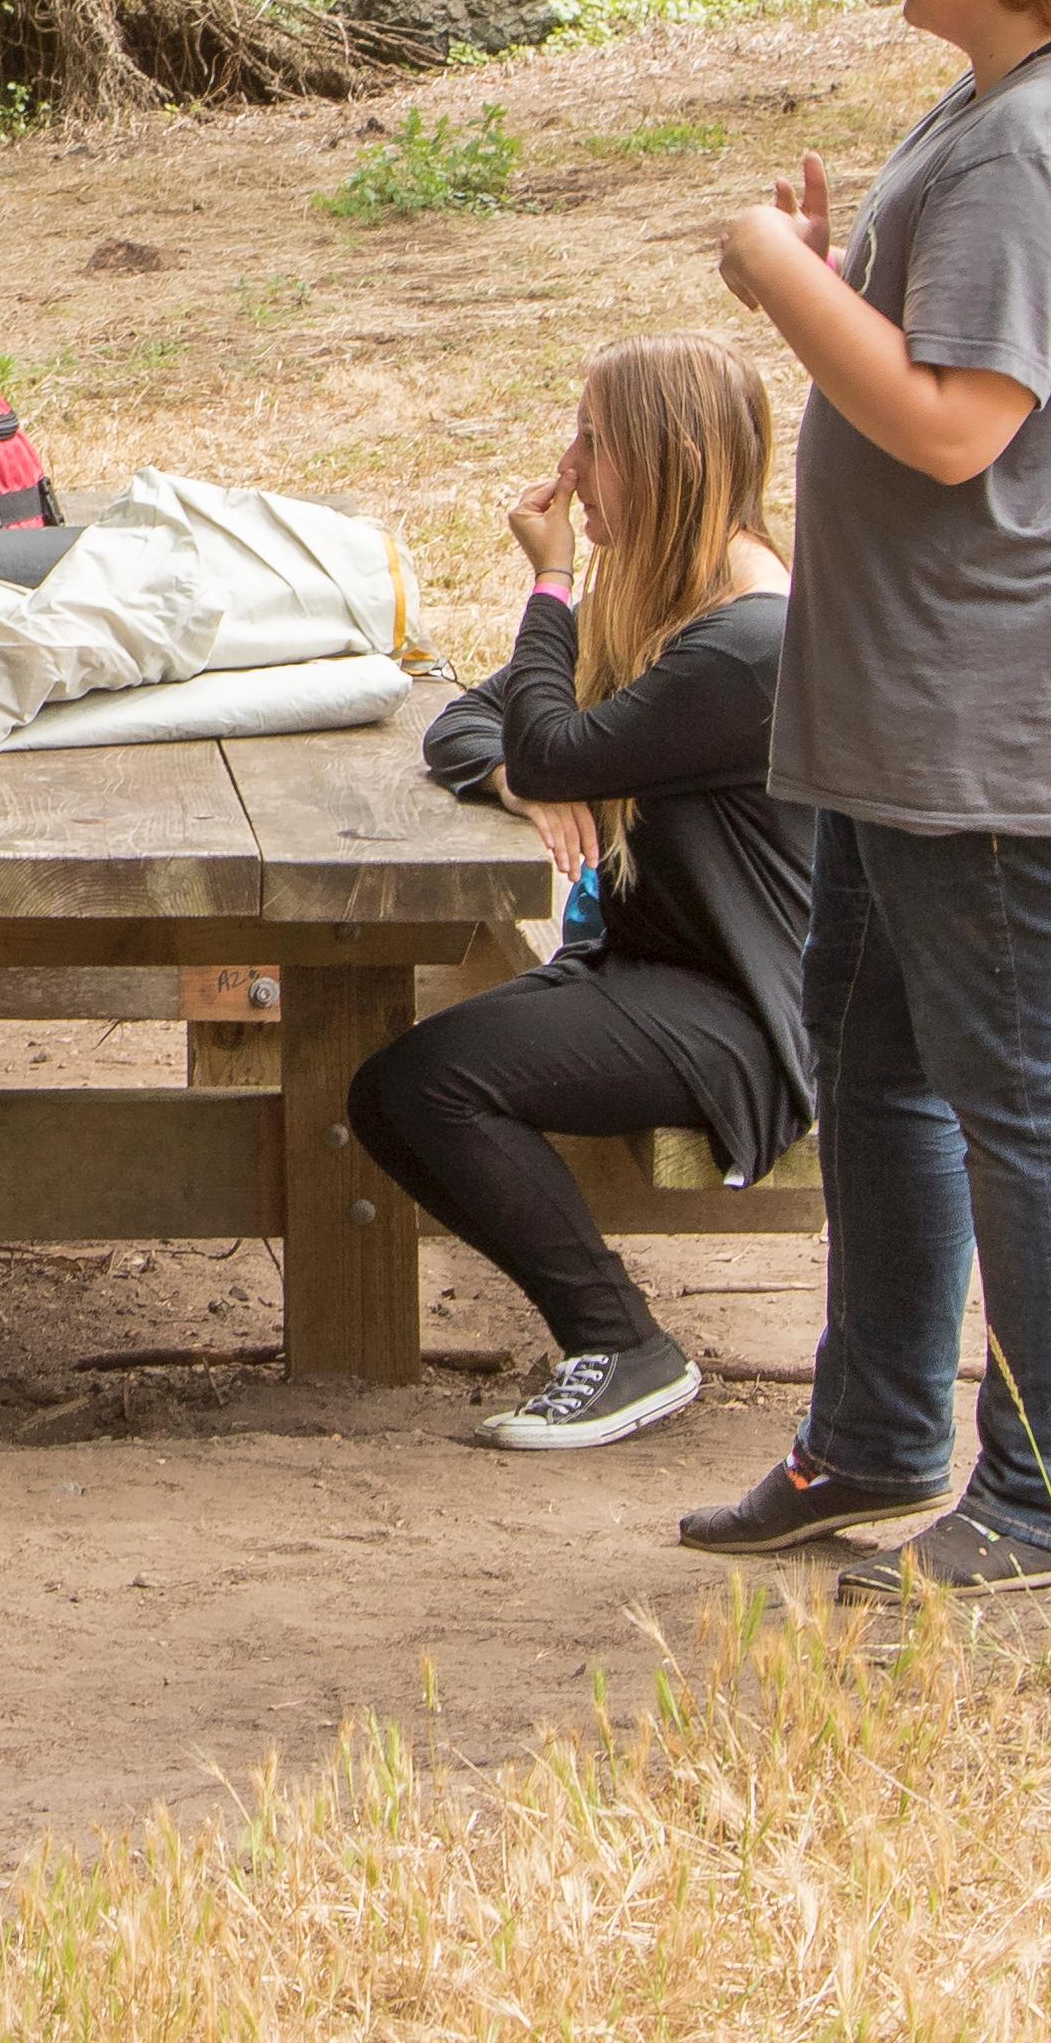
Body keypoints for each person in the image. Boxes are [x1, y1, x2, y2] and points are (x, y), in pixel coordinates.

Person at [685, 0, 1051, 1601]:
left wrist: (774, 279)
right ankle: (879, 1432)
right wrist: (843, 274)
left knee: (1021, 1091)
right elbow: (958, 346)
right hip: (924, 711)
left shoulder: (1042, 135)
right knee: (883, 1065)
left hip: (1013, 714)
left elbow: (949, 422)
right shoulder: (1005, 102)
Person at [347, 335, 812, 1453]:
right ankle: (618, 1340)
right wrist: (521, 776)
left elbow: (556, 740)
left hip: (748, 1013)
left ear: (664, 455)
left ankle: (622, 1346)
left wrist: (547, 586)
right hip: (653, 971)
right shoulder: (658, 601)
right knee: (413, 1077)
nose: (569, 464)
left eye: (593, 440)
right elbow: (471, 718)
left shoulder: (746, 645)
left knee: (423, 1086)